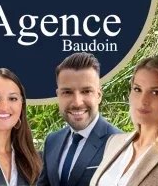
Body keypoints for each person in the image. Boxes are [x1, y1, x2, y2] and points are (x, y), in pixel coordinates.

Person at [42, 56, 118, 186]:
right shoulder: (52, 141)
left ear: (98, 95)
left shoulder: (119, 144)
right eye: (67, 92)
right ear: (58, 95)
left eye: (86, 91)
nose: (77, 102)